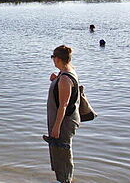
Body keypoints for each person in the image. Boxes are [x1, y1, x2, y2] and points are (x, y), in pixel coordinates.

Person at [46, 45, 81, 183]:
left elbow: (63, 105)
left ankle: (66, 180)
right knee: (60, 152)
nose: (52, 60)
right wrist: (55, 79)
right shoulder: (66, 73)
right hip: (65, 119)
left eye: (53, 57)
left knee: (63, 151)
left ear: (58, 59)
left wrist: (56, 127)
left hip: (64, 121)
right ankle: (64, 179)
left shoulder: (65, 78)